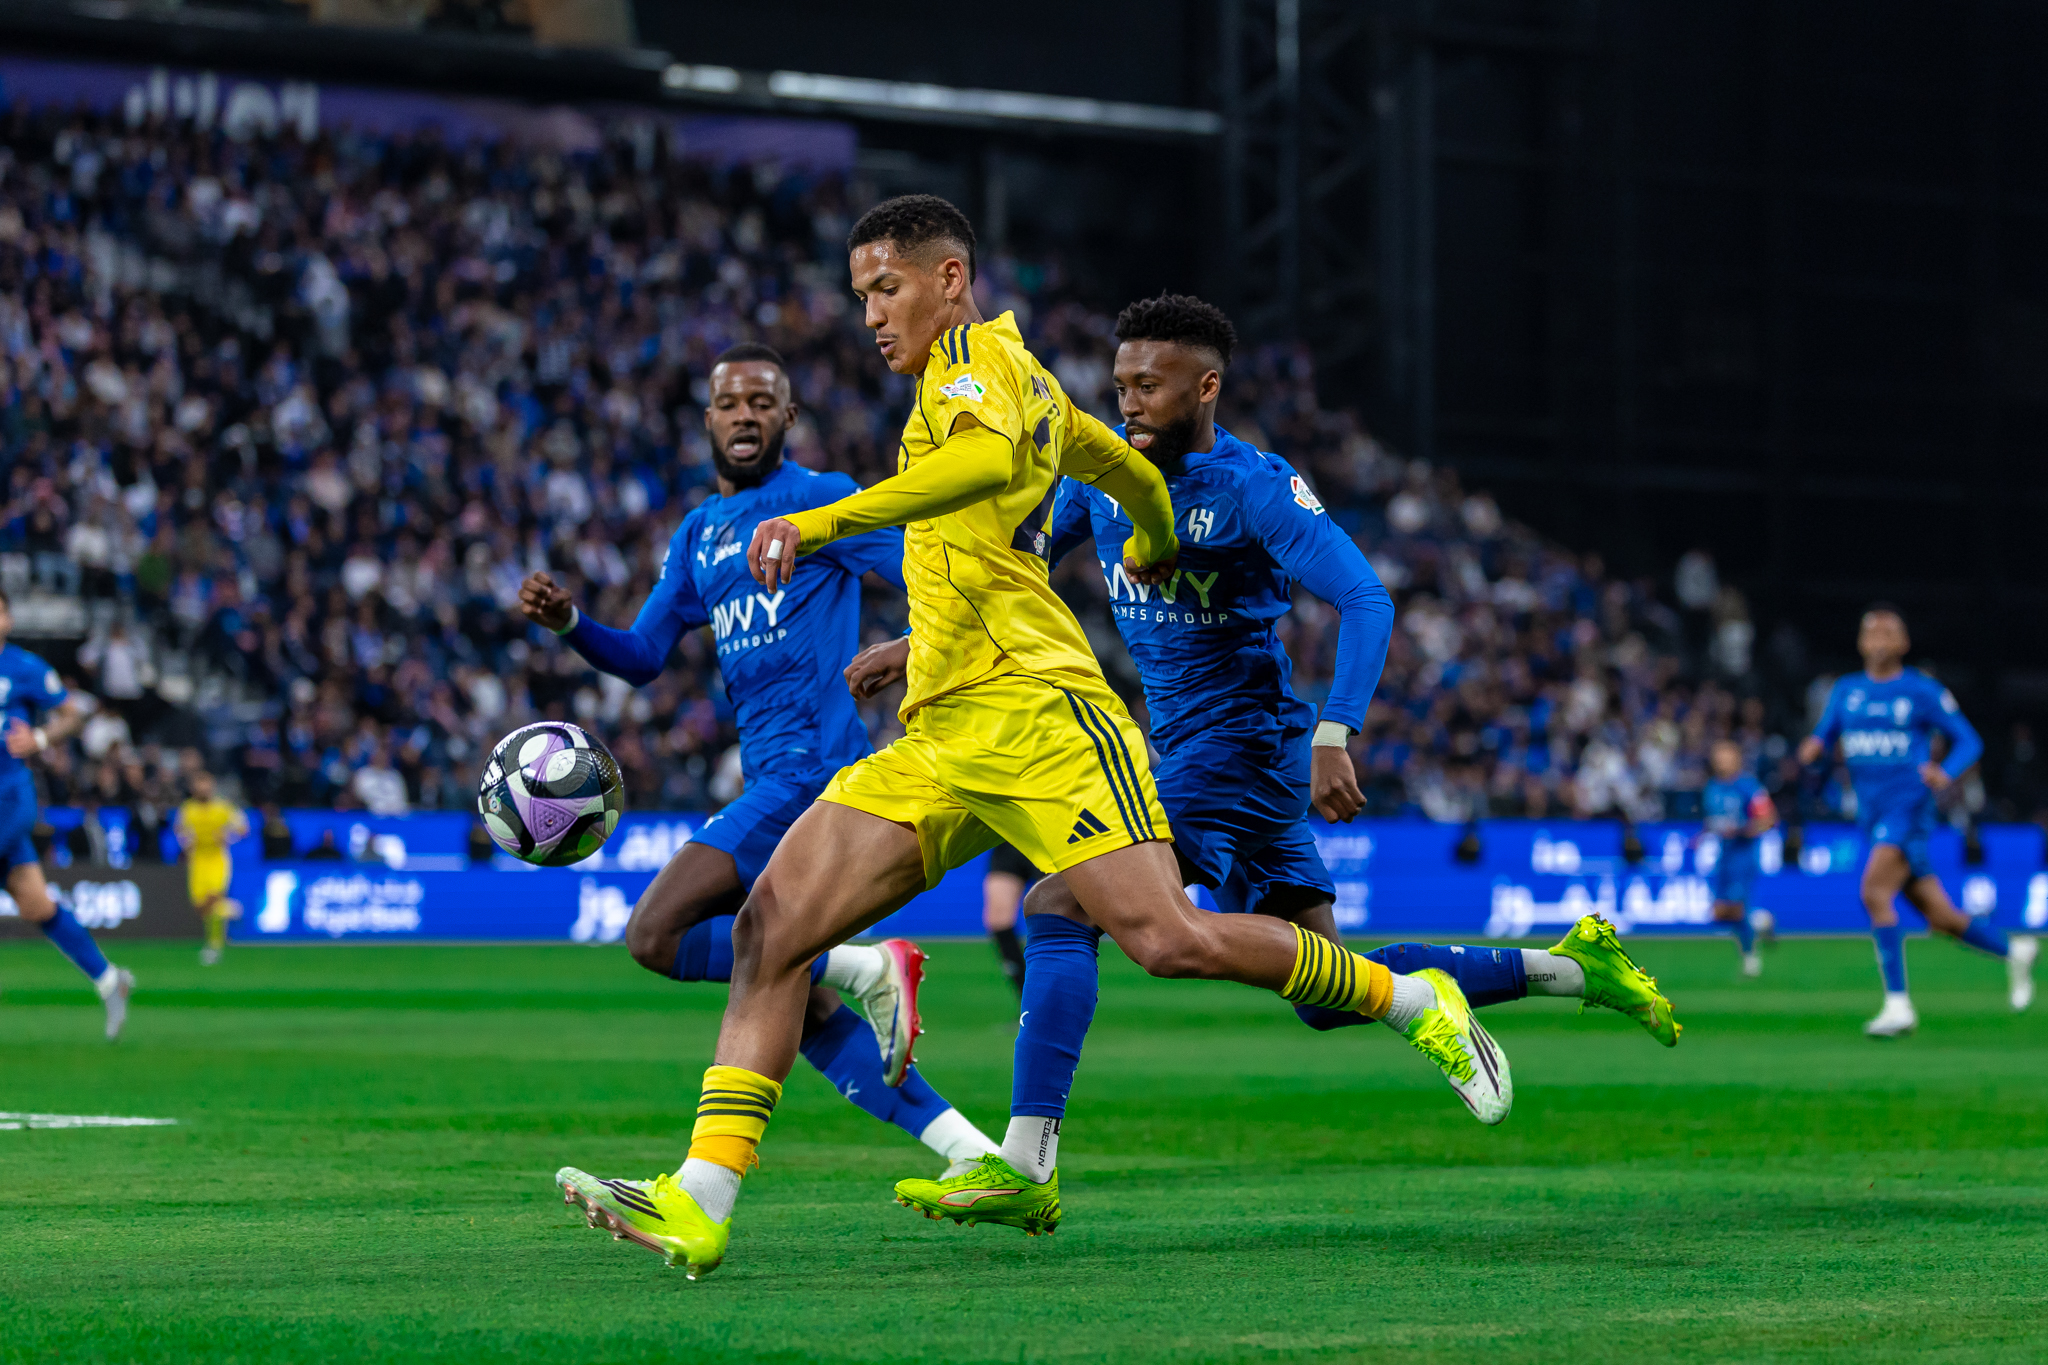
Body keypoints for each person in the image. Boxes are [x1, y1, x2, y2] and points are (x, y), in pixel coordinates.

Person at [553, 196, 1505, 1279]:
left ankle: (1407, 996)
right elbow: (1125, 473)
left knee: (1168, 941)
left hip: (1045, 718)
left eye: (887, 288)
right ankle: (703, 1197)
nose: (871, 314)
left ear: (950, 278)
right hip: (941, 732)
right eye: (861, 294)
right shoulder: (1029, 383)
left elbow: (974, 463)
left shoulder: (973, 371)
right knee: (771, 931)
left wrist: (822, 521)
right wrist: (1150, 536)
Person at [857, 293, 1671, 1229]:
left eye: (1151, 386)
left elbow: (1366, 599)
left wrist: (1336, 732)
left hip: (1242, 747)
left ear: (1206, 388)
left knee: (1057, 903)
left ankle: (1026, 1161)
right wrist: (918, 641)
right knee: (1325, 988)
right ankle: (1574, 967)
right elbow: (1014, 571)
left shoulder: (1253, 487)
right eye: (1121, 385)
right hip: (1197, 749)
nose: (1129, 404)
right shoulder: (1103, 478)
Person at [527, 342, 999, 1219]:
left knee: (656, 932)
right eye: (730, 402)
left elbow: (927, 572)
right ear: (708, 419)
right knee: (798, 1002)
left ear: (788, 417)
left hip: (813, 774)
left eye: (761, 401)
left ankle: (863, 964)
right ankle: (972, 1150)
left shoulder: (824, 499)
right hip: (771, 775)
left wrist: (909, 646)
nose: (745, 414)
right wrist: (571, 624)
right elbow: (642, 655)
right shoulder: (699, 534)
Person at [1797, 606, 2036, 1036]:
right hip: (1871, 815)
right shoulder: (1847, 690)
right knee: (1942, 918)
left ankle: (1898, 1006)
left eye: (1888, 631)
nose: (1879, 638)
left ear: (1904, 643)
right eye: (1871, 631)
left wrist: (1946, 772)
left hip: (1908, 809)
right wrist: (1813, 748)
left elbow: (1969, 740)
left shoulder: (1921, 691)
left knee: (1874, 892)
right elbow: (1824, 734)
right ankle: (2015, 951)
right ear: (1860, 642)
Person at [0, 589, 133, 1037]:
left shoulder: (25, 668)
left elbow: (74, 715)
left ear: (8, 619)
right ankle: (110, 980)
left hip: (8, 798)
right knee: (35, 903)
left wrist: (39, 739)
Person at [1702, 738, 1775, 977]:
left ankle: (1750, 958)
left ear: (1737, 759)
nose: (1721, 762)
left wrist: (1743, 830)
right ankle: (1762, 921)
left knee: (1738, 907)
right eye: (1718, 757)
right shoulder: (1712, 787)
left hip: (1744, 855)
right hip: (1724, 854)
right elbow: (1713, 820)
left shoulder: (1748, 787)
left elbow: (1768, 819)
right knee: (1720, 912)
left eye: (1726, 756)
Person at [176, 770, 249, 965]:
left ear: (212, 787)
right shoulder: (188, 809)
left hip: (217, 859)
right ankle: (231, 909)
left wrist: (228, 836)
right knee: (201, 907)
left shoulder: (223, 807)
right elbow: (180, 830)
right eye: (199, 786)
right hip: (197, 861)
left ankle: (214, 946)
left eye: (206, 786)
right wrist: (186, 841)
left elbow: (243, 828)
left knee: (212, 899)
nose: (203, 790)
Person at [981, 843, 1034, 994]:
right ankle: (1028, 1000)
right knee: (998, 921)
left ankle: (1065, 998)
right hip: (1010, 841)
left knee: (1058, 920)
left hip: (1050, 840)